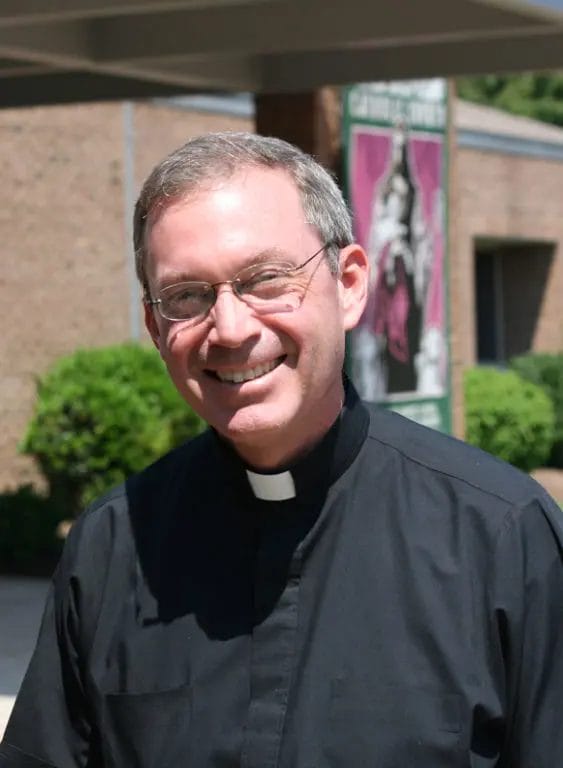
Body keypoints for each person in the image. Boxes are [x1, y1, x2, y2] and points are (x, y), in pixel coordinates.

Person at [1, 132, 562, 768]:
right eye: (187, 296)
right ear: (155, 328)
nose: (230, 329)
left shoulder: (500, 537)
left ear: (349, 284)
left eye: (266, 280)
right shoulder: (111, 546)